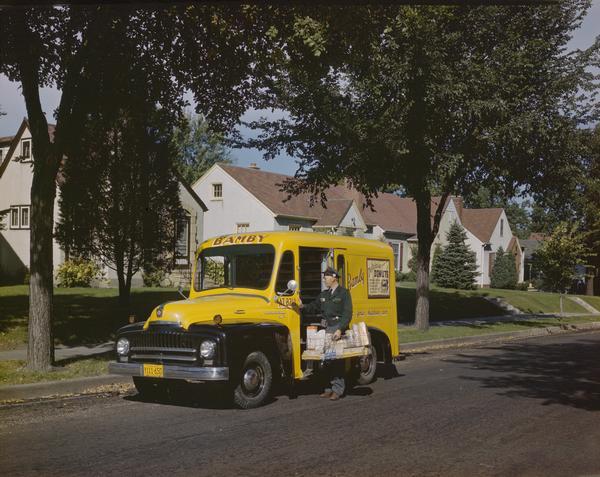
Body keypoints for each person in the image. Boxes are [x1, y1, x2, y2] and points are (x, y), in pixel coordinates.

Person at [296, 267, 353, 401]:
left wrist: (340, 329)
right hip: (326, 330)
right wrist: (302, 306)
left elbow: (347, 314)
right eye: (324, 277)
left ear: (334, 277)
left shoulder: (344, 293)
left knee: (336, 360)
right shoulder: (323, 295)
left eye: (326, 276)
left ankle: (337, 390)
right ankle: (328, 388)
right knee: (325, 361)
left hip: (337, 329)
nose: (324, 279)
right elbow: (313, 306)